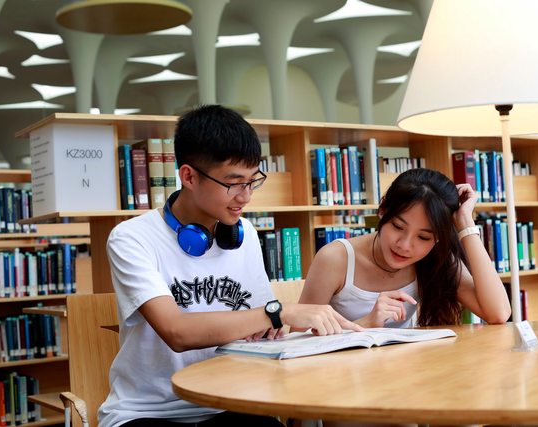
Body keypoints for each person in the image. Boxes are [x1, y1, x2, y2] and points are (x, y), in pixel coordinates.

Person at [98, 105, 361, 427]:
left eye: (252, 181)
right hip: (149, 411)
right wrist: (279, 312)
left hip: (230, 402)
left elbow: (265, 327)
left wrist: (281, 324)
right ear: (188, 176)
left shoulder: (244, 233)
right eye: (234, 183)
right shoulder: (131, 238)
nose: (246, 197)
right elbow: (176, 332)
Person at [299, 167, 512, 330]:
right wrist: (366, 323)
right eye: (398, 227)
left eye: (423, 237)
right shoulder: (336, 259)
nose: (404, 245)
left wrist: (465, 223)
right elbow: (296, 340)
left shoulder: (435, 259)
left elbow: (498, 313)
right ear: (383, 210)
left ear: (438, 238)